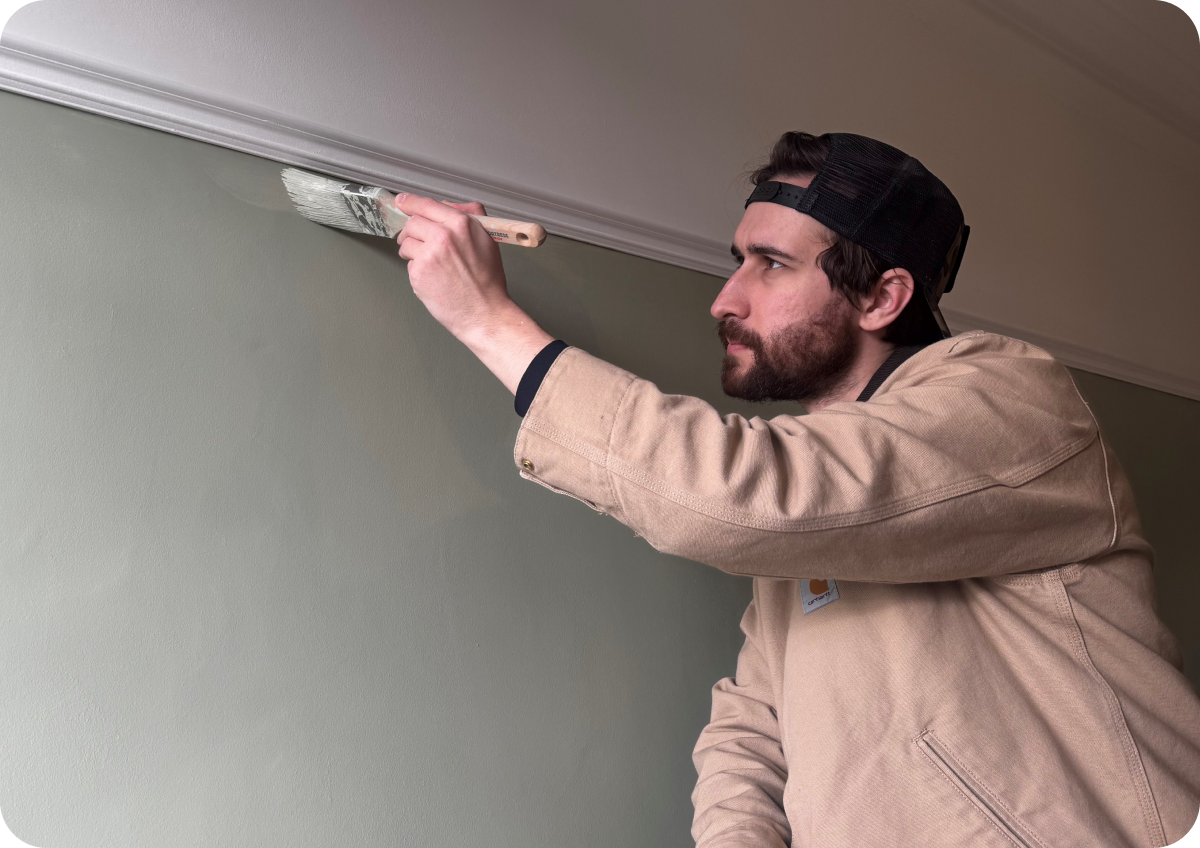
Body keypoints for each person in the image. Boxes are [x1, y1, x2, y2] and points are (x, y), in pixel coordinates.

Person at [392, 131, 1200, 847]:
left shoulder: (1014, 403)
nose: (725, 298)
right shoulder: (820, 505)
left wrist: (489, 322)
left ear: (882, 297)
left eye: (771, 265)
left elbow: (741, 496)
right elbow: (756, 722)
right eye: (737, 259)